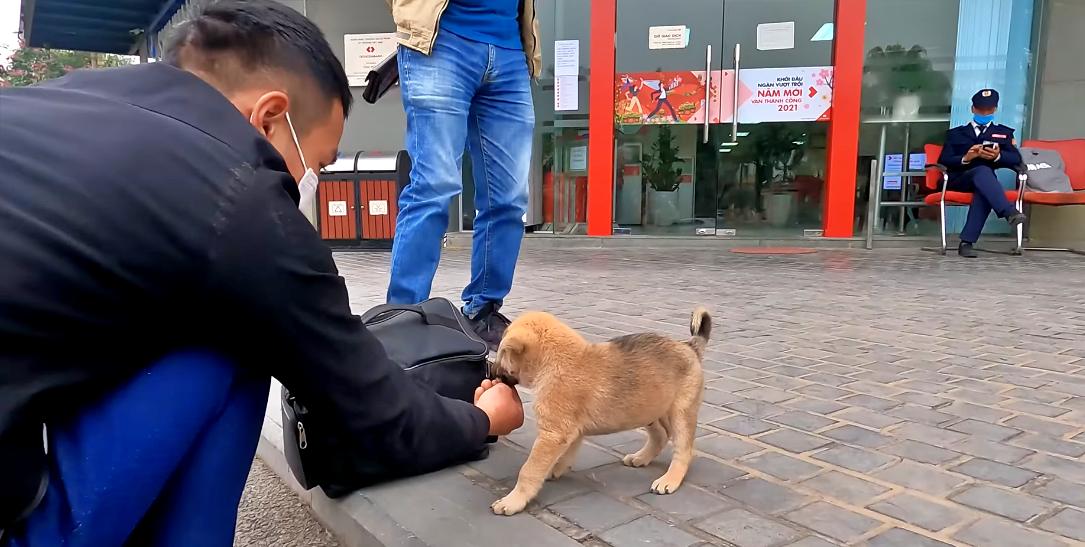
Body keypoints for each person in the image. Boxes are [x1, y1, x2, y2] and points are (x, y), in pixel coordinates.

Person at [0, 1, 524, 544]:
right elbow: (372, 411)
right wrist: (484, 420)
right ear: (269, 117)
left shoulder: (59, 102)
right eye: (317, 165)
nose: (307, 181)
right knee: (230, 342)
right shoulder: (238, 198)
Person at [384, 0, 541, 350]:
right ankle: (400, 319)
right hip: (441, 40)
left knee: (509, 198)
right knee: (434, 186)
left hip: (510, 47)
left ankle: (483, 310)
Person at [938, 88, 1026, 258]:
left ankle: (966, 244)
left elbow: (1016, 159)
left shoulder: (1004, 133)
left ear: (994, 110)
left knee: (984, 187)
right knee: (982, 172)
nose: (984, 113)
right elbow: (944, 160)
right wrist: (966, 157)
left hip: (984, 183)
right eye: (980, 109)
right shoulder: (956, 134)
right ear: (973, 109)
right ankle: (1008, 211)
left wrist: (997, 156)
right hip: (959, 179)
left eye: (988, 110)